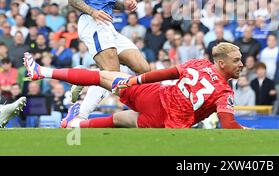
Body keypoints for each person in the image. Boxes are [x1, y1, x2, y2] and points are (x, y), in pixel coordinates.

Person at [23, 43, 248, 129]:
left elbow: (166, 73)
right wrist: (246, 131)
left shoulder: (199, 64)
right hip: (165, 123)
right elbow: (228, 124)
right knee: (121, 120)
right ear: (221, 62)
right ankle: (75, 124)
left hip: (155, 96)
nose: (241, 64)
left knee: (104, 76)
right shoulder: (225, 92)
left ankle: (43, 71)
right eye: (237, 60)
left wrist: (134, 80)